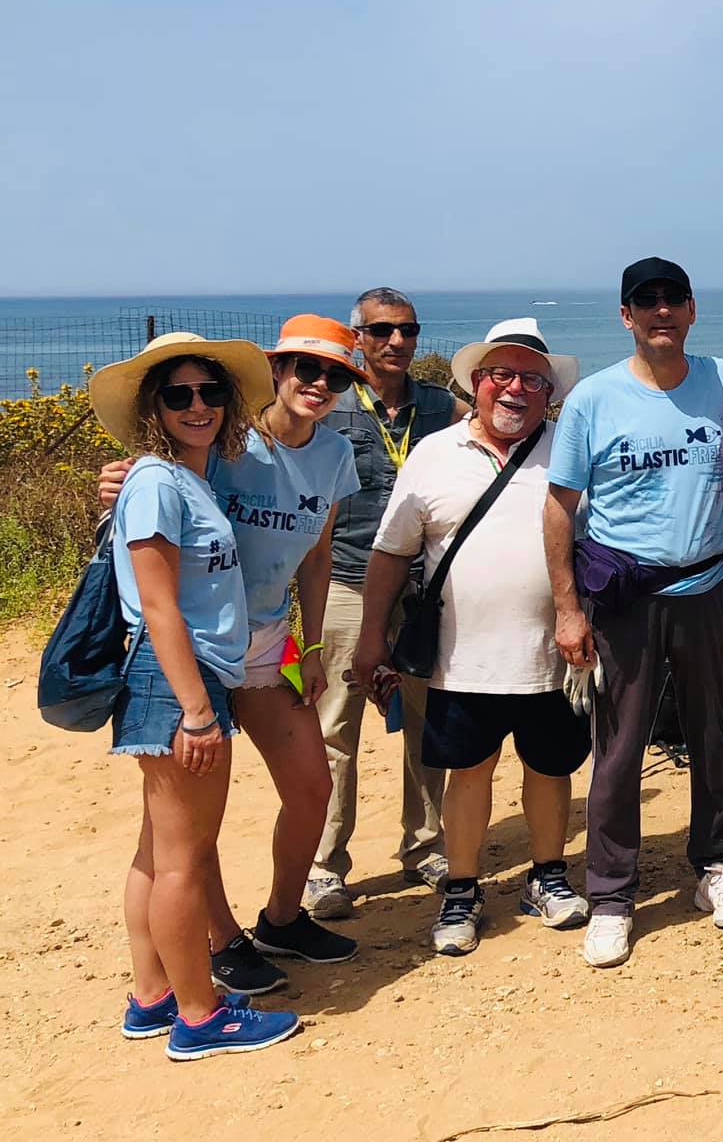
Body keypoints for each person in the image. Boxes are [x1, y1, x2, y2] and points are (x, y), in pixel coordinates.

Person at [96, 316, 372, 993]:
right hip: (198, 648)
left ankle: (282, 920)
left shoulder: (333, 454)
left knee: (312, 788)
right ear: (277, 371)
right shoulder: (226, 440)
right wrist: (119, 481)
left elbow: (316, 554)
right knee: (192, 822)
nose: (320, 384)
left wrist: (307, 644)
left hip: (267, 644)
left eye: (336, 376)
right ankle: (221, 941)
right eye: (307, 369)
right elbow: (160, 487)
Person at [89, 332, 302, 1060]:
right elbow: (157, 606)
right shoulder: (156, 481)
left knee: (158, 853)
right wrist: (199, 711)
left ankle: (152, 997)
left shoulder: (189, 480)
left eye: (210, 392)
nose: (199, 405)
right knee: (184, 858)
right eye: (178, 394)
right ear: (155, 406)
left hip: (181, 677)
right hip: (176, 678)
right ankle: (200, 1016)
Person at [351, 319, 592, 957]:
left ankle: (548, 876)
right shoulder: (434, 453)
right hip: (462, 659)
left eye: (532, 379)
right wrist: (371, 637)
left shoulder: (570, 451)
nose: (515, 389)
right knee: (468, 772)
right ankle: (462, 888)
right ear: (477, 384)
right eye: (500, 375)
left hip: (555, 656)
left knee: (550, 769)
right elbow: (391, 552)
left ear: (550, 392)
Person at [544, 258, 723, 969]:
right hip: (624, 602)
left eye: (673, 300)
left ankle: (718, 866)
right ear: (626, 316)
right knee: (620, 749)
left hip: (706, 589)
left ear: (692, 310)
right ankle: (610, 895)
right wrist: (568, 608)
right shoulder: (593, 401)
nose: (661, 312)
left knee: (712, 734)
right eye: (646, 302)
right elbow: (560, 509)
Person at [307, 288, 462, 918]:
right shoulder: (330, 404)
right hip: (346, 581)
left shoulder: (438, 407)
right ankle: (323, 865)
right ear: (357, 337)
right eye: (381, 332)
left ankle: (424, 845)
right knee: (333, 729)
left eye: (407, 331)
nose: (396, 342)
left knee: (428, 721)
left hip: (422, 592)